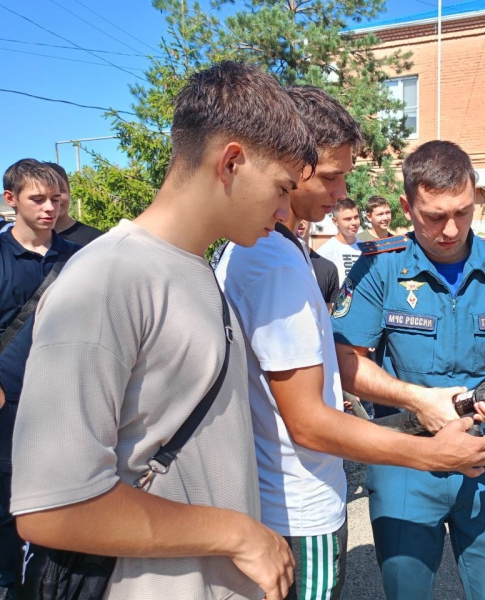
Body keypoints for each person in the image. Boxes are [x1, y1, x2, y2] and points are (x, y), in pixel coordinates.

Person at [11, 61, 319, 600]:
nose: (286, 208)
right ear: (231, 163)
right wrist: (240, 534)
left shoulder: (195, 268)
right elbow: (53, 508)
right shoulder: (110, 277)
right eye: (280, 187)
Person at [215, 87, 485, 600]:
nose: (343, 192)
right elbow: (309, 423)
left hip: (281, 499)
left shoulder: (271, 248)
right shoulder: (273, 262)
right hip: (299, 507)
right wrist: (432, 455)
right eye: (329, 175)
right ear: (285, 160)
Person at [332, 140, 485, 600]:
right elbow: (345, 361)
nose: (451, 230)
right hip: (405, 459)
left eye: (463, 212)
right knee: (407, 589)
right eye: (434, 216)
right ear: (407, 207)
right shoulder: (380, 268)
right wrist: (416, 400)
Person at [0, 159, 80, 599]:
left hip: (61, 409)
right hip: (7, 411)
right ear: (11, 200)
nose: (50, 207)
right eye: (38, 199)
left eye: (57, 198)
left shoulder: (81, 259)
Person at [45, 162, 103, 246]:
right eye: (44, 194)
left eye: (61, 191)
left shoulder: (95, 240)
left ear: (69, 193)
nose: (55, 198)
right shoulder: (30, 243)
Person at [316, 197, 361, 285]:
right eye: (347, 219)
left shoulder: (365, 247)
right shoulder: (325, 252)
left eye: (356, 217)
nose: (354, 223)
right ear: (335, 221)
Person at [296, 219, 339, 311]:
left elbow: (328, 313)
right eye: (295, 215)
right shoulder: (273, 265)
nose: (300, 222)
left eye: (304, 216)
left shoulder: (328, 268)